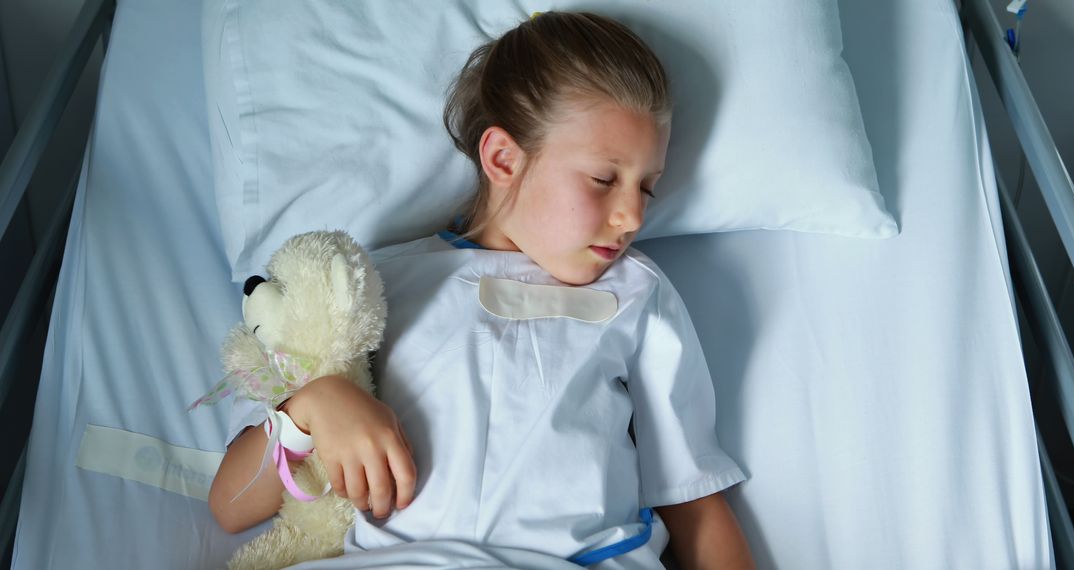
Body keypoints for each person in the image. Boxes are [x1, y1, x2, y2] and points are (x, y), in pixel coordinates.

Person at [209, 11, 753, 569]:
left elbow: (696, 506)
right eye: (604, 179)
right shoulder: (370, 286)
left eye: (648, 188)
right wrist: (315, 404)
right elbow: (230, 505)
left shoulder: (639, 295)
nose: (631, 215)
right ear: (503, 158)